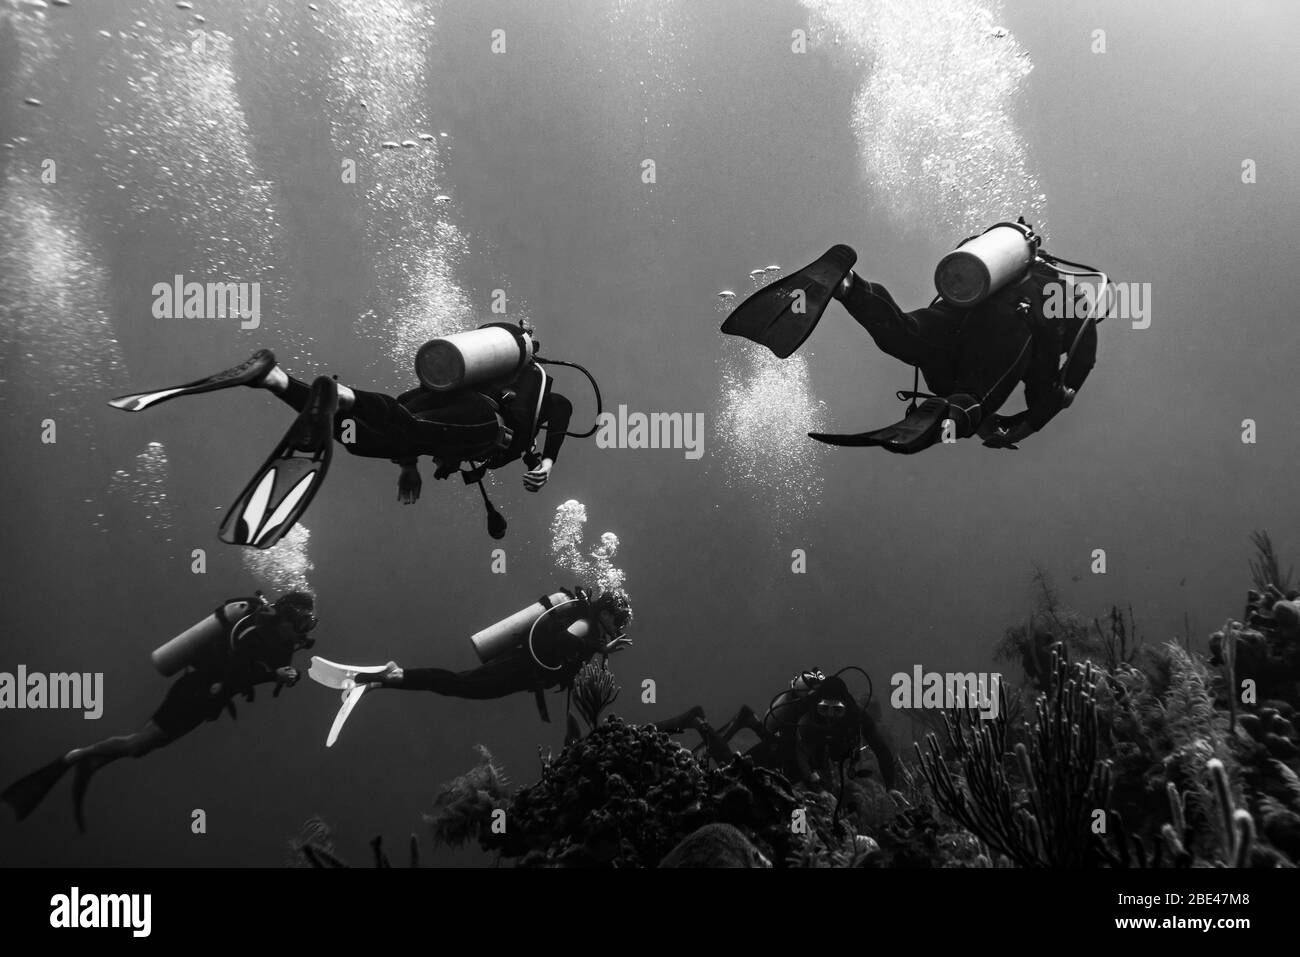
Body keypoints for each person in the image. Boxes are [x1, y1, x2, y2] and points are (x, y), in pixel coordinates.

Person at [106, 321, 579, 544]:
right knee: (406, 429)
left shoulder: (485, 379)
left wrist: (409, 466)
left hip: (435, 414)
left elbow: (421, 413)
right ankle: (343, 395)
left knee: (362, 437)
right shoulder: (529, 389)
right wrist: (551, 460)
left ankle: (273, 379)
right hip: (480, 423)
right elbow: (562, 408)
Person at [721, 221, 1105, 454]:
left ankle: (848, 285)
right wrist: (1030, 421)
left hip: (956, 313)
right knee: (976, 397)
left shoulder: (995, 275)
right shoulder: (1061, 302)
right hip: (1006, 325)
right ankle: (960, 409)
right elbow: (1057, 377)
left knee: (906, 335)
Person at [0, 592, 318, 832]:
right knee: (139, 744)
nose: (303, 631)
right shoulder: (253, 633)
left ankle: (89, 763)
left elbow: (278, 669)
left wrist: (290, 676)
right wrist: (274, 676)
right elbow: (238, 675)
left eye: (308, 625)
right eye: (300, 623)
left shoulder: (282, 642)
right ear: (285, 618)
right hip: (195, 691)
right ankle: (76, 756)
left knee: (144, 746)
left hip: (206, 701)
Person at [312, 589, 632, 745]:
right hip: (519, 667)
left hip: (522, 672)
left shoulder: (588, 626)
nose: (617, 629)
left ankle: (384, 680)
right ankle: (386, 675)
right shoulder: (588, 626)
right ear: (605, 612)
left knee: (459, 685)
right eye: (617, 621)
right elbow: (562, 641)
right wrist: (599, 647)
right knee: (459, 683)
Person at [655, 667, 897, 793]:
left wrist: (892, 788)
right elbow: (795, 750)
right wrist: (813, 783)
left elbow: (882, 749)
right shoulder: (804, 707)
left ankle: (748, 719)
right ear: (817, 704)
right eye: (824, 709)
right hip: (785, 746)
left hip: (802, 753)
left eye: (837, 711)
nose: (830, 716)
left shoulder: (857, 717)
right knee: (735, 773)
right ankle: (698, 721)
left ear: (848, 707)